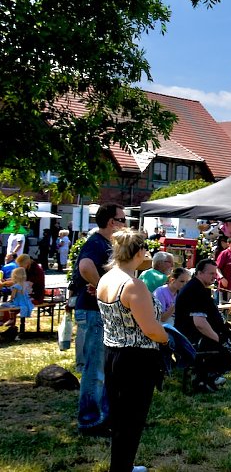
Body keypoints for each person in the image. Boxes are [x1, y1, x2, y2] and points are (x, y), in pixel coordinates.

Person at [96, 228, 168, 472]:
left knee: (120, 418)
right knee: (132, 420)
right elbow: (150, 329)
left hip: (113, 353)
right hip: (136, 359)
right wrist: (169, 338)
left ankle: (122, 466)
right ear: (139, 252)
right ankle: (122, 467)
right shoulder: (133, 285)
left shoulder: (105, 279)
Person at [71, 202, 125, 436]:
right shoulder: (96, 242)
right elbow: (85, 267)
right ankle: (90, 421)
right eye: (123, 219)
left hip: (97, 312)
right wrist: (102, 287)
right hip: (93, 312)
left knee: (102, 367)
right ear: (112, 222)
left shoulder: (104, 243)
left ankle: (103, 417)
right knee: (95, 369)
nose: (125, 224)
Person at [174, 258, 231, 391]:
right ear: (199, 273)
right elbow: (199, 323)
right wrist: (219, 339)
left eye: (215, 273)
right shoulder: (195, 291)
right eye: (211, 273)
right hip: (194, 338)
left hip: (196, 335)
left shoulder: (196, 288)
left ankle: (205, 378)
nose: (214, 276)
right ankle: (205, 378)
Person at [215, 237, 231, 306]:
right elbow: (217, 268)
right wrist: (222, 278)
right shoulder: (224, 254)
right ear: (228, 244)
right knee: (223, 305)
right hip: (225, 285)